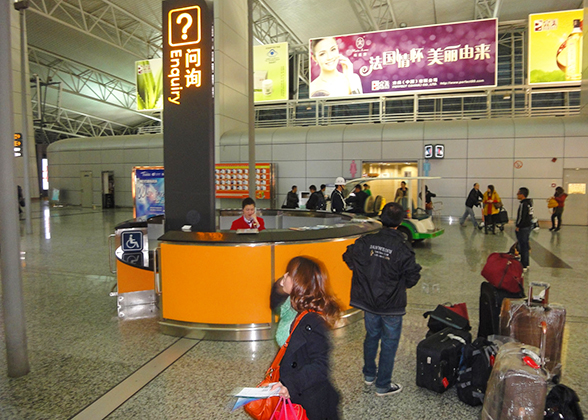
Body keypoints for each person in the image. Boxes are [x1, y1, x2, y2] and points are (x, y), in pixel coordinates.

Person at [343, 202, 422, 397]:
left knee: (371, 336)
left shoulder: (366, 241)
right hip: (392, 304)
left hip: (368, 301)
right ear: (400, 221)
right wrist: (401, 285)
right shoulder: (402, 246)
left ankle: (369, 375)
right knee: (389, 342)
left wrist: (364, 274)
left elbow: (348, 256)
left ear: (381, 218)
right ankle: (383, 385)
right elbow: (412, 275)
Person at [271, 256, 341, 419]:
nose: (284, 276)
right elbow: (274, 302)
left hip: (310, 398)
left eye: (289, 274)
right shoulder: (291, 305)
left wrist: (291, 384)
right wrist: (283, 284)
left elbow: (320, 367)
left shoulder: (313, 322)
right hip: (297, 390)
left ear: (299, 283)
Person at [515, 187, 533, 273]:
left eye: (518, 193)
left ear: (522, 195)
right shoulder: (529, 203)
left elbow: (521, 216)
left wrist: (518, 225)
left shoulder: (523, 204)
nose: (517, 195)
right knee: (525, 245)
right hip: (528, 226)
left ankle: (524, 264)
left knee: (523, 245)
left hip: (523, 227)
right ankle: (527, 263)